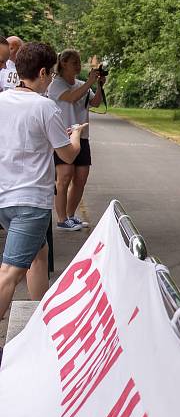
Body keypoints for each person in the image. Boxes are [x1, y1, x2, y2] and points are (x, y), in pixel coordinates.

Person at [0, 42, 83, 325]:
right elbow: (68, 154)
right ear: (44, 72)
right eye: (51, 75)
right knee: (10, 271)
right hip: (30, 201)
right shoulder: (45, 107)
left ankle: (40, 320)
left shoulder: (2, 100)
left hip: (5, 198)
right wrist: (75, 135)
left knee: (39, 255)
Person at [49, 50, 105, 231]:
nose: (79, 65)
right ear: (63, 63)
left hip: (82, 136)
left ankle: (71, 215)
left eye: (80, 62)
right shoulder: (56, 84)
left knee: (81, 178)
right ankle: (61, 218)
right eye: (75, 62)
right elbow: (72, 98)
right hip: (63, 136)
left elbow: (95, 103)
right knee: (64, 177)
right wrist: (89, 82)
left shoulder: (82, 84)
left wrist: (99, 86)